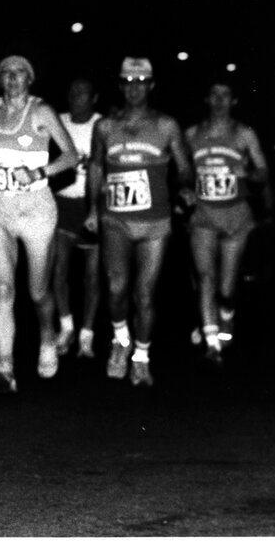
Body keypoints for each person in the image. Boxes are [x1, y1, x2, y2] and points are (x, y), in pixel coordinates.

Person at [0, 55, 78, 394]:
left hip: (36, 209)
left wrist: (38, 172)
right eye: (6, 74)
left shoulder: (42, 111)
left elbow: (71, 156)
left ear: (29, 80)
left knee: (37, 290)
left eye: (20, 74)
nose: (13, 79)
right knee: (2, 289)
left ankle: (47, 339)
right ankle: (5, 367)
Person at [84, 57, 194, 386]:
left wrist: (186, 187)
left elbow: (185, 165)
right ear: (120, 86)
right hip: (115, 218)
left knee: (144, 294)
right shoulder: (104, 127)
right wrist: (92, 209)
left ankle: (142, 357)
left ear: (151, 85)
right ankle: (120, 339)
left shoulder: (166, 125)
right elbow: (96, 168)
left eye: (141, 81)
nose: (135, 88)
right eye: (128, 82)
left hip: (154, 222)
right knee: (116, 289)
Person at [185, 81, 272, 361]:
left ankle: (226, 313)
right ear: (207, 99)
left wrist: (245, 173)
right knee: (205, 276)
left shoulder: (244, 134)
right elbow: (181, 174)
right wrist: (184, 189)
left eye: (226, 95)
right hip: (203, 217)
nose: (220, 100)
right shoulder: (192, 134)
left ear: (234, 101)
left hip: (236, 217)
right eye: (215, 94)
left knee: (226, 286)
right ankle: (212, 343)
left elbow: (263, 173)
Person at [51, 78, 102, 359]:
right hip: (61, 204)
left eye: (82, 92)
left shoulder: (103, 124)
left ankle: (87, 334)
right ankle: (66, 326)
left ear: (94, 97)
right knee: (59, 270)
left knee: (91, 277)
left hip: (91, 207)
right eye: (72, 91)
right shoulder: (57, 121)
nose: (75, 96)